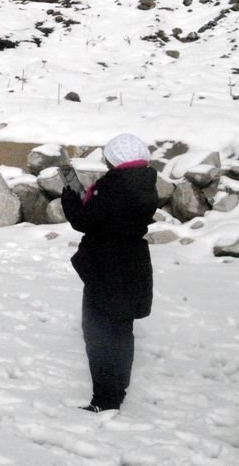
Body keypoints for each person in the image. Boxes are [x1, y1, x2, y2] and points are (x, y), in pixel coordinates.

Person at [61, 133, 158, 413]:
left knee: (98, 332)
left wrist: (70, 196)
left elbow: (85, 221)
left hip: (107, 266)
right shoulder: (145, 182)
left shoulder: (114, 186)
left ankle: (104, 400)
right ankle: (116, 392)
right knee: (122, 331)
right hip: (133, 264)